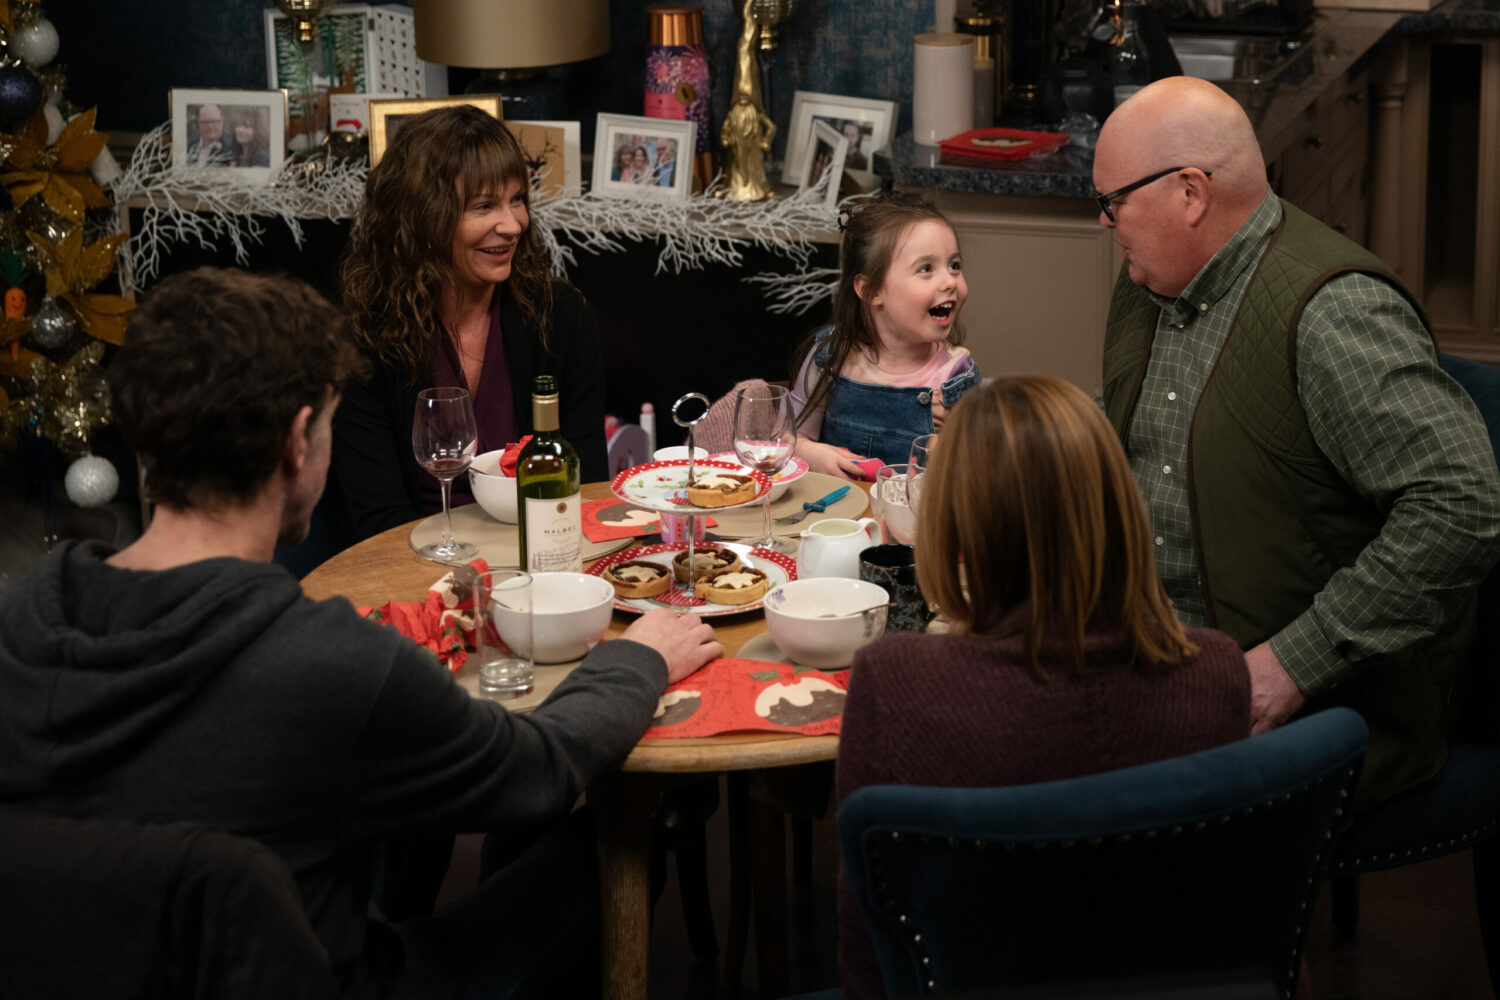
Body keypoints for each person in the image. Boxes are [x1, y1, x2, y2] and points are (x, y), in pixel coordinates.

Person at [0, 266, 722, 998]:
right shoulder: (330, 665)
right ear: (297, 441)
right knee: (605, 850)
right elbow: (535, 774)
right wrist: (636, 661)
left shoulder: (20, 624)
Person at [1094, 76, 1500, 805]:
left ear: (1190, 193)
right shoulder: (1151, 278)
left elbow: (1460, 507)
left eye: (1113, 200)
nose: (1103, 221)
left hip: (1314, 714)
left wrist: (1289, 668)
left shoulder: (1335, 314)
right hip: (1154, 663)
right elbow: (1149, 428)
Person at [834, 376, 1251, 998]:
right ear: (1119, 505)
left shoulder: (897, 684)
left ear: (957, 528)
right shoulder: (1218, 673)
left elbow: (869, 939)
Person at [336, 104, 608, 545]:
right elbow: (377, 521)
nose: (513, 224)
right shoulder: (366, 339)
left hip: (543, 555)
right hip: (415, 563)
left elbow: (588, 488)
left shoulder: (560, 317)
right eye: (484, 206)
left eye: (517, 199)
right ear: (423, 217)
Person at [789, 190, 980, 477]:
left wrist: (952, 439)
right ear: (871, 290)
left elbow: (973, 477)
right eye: (926, 268)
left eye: (954, 266)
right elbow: (783, 440)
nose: (950, 281)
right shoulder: (833, 355)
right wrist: (809, 453)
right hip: (836, 506)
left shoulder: (955, 376)